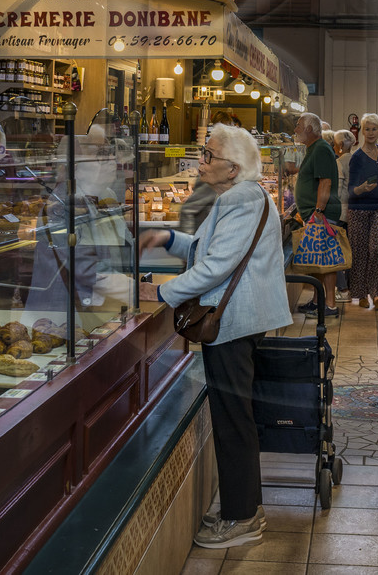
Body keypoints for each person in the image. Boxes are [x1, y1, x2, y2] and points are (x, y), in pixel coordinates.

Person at [137, 124, 290, 550]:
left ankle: (242, 517)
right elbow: (210, 248)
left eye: (208, 155)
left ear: (233, 168)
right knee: (233, 415)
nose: (200, 162)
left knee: (233, 419)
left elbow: (218, 265)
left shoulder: (241, 197)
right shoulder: (237, 195)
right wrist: (170, 238)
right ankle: (245, 508)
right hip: (239, 319)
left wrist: (163, 292)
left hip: (234, 322)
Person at [293, 112, 343, 316]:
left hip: (322, 214)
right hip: (314, 213)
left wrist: (318, 211)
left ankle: (329, 304)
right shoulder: (313, 149)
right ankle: (317, 300)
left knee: (327, 258)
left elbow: (325, 182)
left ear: (309, 129)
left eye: (298, 125)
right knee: (318, 260)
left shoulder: (321, 148)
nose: (295, 129)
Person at [345, 114, 378, 310]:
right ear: (362, 131)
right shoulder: (356, 157)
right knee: (360, 252)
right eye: (367, 129)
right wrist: (362, 188)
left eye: (374, 129)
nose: (371, 133)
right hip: (359, 210)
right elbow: (351, 191)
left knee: (376, 250)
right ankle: (361, 293)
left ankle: (377, 293)